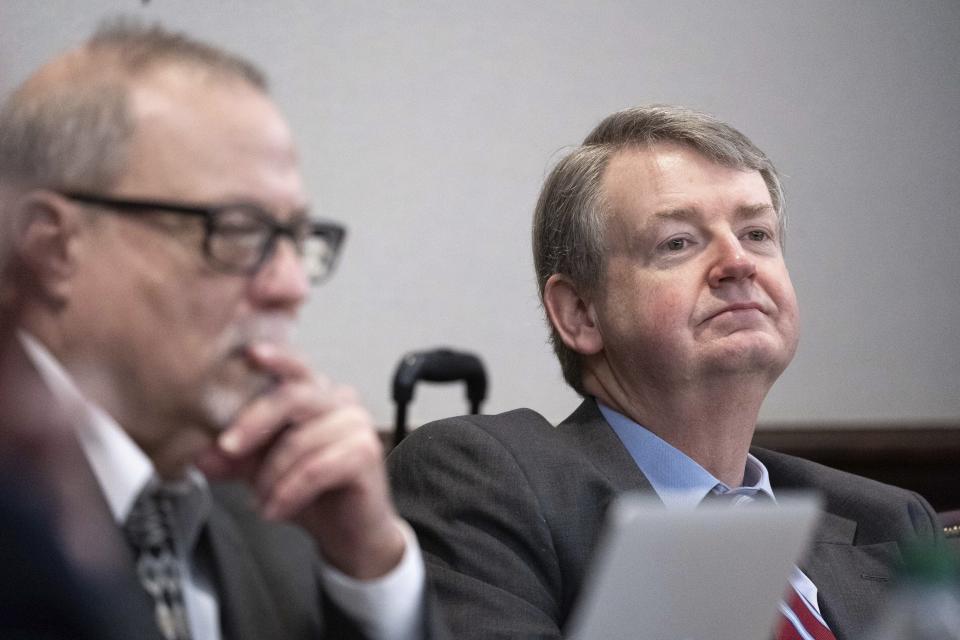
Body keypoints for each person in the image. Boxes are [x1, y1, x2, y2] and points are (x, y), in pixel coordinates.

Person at [387, 105, 943, 639]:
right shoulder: (490, 481)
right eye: (678, 242)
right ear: (581, 313)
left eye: (757, 234)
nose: (739, 263)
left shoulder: (886, 520)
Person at [0, 21, 444, 640]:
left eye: (296, 238)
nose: (292, 286)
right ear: (53, 248)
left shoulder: (290, 517)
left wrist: (371, 578)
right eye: (237, 230)